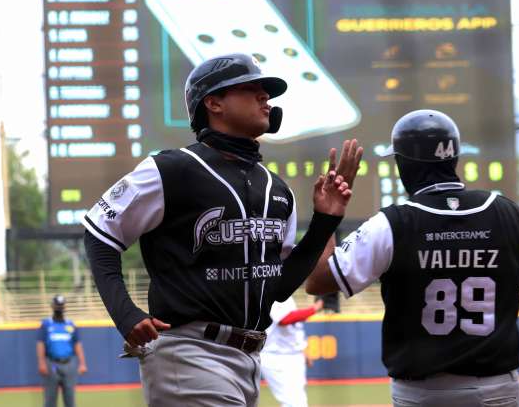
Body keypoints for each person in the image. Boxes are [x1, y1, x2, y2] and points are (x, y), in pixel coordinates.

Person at [82, 53, 363, 407]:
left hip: (248, 359)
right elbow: (98, 232)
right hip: (188, 353)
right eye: (250, 89)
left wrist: (326, 220)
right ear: (213, 103)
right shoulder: (171, 169)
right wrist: (125, 314)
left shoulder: (276, 189)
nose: (265, 98)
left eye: (266, 92)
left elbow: (278, 287)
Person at [306, 109, 519, 407]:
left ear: (403, 164)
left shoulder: (393, 223)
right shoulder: (509, 215)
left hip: (421, 396)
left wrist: (327, 215)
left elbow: (318, 282)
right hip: (498, 391)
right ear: (454, 158)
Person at [261, 297, 324, 407]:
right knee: (293, 402)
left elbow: (293, 329)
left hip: (294, 355)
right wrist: (315, 308)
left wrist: (303, 350)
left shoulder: (288, 298)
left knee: (299, 401)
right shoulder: (272, 293)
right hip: (274, 356)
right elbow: (284, 319)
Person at [36, 295, 88, 407]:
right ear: (52, 306)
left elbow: (77, 344)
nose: (59, 308)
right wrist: (41, 363)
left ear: (64, 307)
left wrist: (82, 363)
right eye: (57, 305)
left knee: (70, 399)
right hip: (52, 364)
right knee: (50, 399)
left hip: (69, 364)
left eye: (61, 306)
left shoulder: (70, 325)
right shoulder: (46, 324)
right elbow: (40, 344)